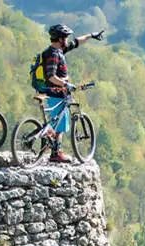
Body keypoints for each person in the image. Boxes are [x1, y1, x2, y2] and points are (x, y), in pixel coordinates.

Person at [39, 24, 104, 163]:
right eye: (66, 37)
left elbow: (76, 43)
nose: (68, 40)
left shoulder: (59, 51)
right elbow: (50, 76)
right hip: (56, 93)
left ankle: (52, 147)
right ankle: (56, 153)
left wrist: (91, 35)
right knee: (60, 124)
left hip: (57, 92)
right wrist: (66, 84)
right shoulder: (53, 54)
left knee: (57, 122)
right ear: (60, 39)